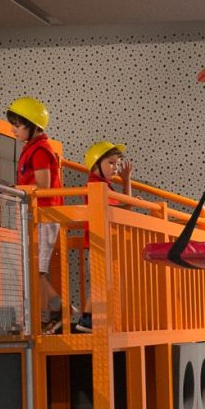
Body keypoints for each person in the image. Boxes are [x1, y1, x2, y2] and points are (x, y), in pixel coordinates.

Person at [8, 96, 65, 333]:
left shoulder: (40, 150)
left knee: (36, 271)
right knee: (34, 271)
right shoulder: (31, 148)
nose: (13, 130)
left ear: (33, 126)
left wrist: (18, 190)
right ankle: (52, 314)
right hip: (38, 216)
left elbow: (43, 185)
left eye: (18, 125)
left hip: (45, 216)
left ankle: (61, 311)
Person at [73, 141, 133, 333]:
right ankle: (86, 321)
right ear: (96, 164)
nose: (115, 167)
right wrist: (128, 197)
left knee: (106, 282)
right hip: (98, 241)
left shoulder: (106, 186)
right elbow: (123, 206)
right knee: (100, 283)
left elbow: (126, 205)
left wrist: (126, 180)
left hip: (104, 242)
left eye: (117, 163)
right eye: (111, 163)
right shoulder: (95, 185)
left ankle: (93, 320)